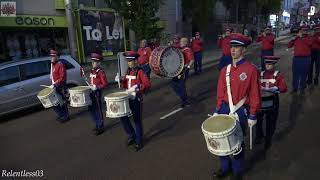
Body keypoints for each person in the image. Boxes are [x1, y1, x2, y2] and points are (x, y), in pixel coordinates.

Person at [213, 33, 261, 180]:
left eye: (237, 47)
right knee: (222, 141)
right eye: (232, 47)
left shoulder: (250, 70)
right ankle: (225, 167)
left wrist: (253, 114)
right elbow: (220, 92)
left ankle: (237, 171)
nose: (233, 50)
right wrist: (217, 109)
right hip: (224, 109)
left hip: (240, 110)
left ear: (244, 50)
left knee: (237, 143)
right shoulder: (225, 70)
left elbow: (254, 94)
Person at [119, 51, 151, 151]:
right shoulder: (127, 71)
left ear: (136, 61)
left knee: (137, 120)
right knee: (123, 117)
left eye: (131, 61)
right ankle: (131, 135)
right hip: (127, 98)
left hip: (136, 99)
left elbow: (147, 84)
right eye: (128, 61)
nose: (129, 63)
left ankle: (139, 140)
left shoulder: (140, 71)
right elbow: (125, 85)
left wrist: (138, 87)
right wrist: (121, 80)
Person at [255, 56, 287, 150]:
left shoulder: (278, 75)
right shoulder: (260, 74)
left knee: (271, 122)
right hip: (261, 101)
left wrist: (276, 89)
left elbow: (284, 88)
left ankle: (268, 140)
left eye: (270, 64)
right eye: (267, 64)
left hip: (273, 101)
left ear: (274, 65)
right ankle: (259, 136)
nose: (268, 66)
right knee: (258, 121)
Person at [287, 25, 313, 94]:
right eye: (302, 30)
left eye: (305, 30)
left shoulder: (309, 37)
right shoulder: (296, 38)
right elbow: (289, 46)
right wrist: (293, 39)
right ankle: (295, 88)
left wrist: (301, 38)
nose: (304, 31)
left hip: (306, 59)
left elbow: (310, 44)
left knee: (304, 74)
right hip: (296, 59)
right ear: (300, 31)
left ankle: (302, 88)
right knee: (295, 74)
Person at [88, 53, 108, 136]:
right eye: (92, 61)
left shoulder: (100, 72)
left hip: (97, 93)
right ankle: (96, 124)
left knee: (98, 110)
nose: (93, 63)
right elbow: (91, 81)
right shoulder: (92, 71)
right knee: (92, 109)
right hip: (91, 92)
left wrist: (97, 87)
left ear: (99, 63)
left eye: (95, 62)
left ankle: (100, 126)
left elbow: (105, 84)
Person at [170, 37, 194, 108]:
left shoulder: (187, 50)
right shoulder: (181, 49)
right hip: (178, 70)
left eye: (181, 42)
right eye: (180, 42)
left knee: (181, 85)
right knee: (173, 84)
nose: (180, 43)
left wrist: (187, 68)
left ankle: (185, 101)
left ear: (185, 43)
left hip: (183, 70)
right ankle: (183, 97)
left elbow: (192, 60)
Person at [49, 49, 70, 123]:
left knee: (62, 102)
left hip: (61, 86)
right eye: (51, 57)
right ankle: (61, 114)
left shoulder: (60, 64)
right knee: (55, 102)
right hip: (55, 86)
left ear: (57, 57)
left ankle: (66, 116)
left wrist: (55, 84)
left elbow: (62, 77)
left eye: (53, 56)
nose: (52, 58)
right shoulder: (53, 65)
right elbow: (52, 76)